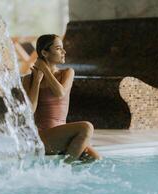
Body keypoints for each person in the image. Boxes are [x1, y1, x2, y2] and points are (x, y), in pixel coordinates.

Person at [22, 34, 101, 163]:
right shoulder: (28, 79)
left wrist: (45, 70)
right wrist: (36, 81)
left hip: (60, 136)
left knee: (95, 158)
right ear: (44, 53)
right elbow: (30, 111)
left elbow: (60, 93)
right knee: (86, 127)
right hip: (40, 137)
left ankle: (65, 175)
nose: (64, 52)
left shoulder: (67, 72)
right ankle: (64, 169)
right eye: (58, 48)